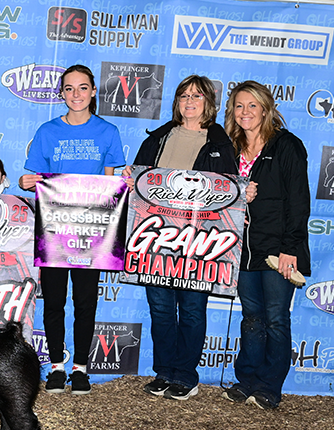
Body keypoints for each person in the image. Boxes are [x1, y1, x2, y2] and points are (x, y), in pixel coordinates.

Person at [124, 75, 238, 400]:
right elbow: (141, 183)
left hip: (199, 240)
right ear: (177, 102)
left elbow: (229, 194)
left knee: (191, 309)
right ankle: (164, 371)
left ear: (209, 104)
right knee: (160, 307)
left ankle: (186, 375)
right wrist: (132, 182)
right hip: (156, 237)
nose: (190, 101)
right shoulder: (157, 138)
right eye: (184, 95)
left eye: (197, 96)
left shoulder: (220, 144)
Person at [19, 64, 125, 395]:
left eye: (82, 88)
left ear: (93, 92)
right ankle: (55, 366)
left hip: (92, 231)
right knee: (53, 301)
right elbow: (33, 177)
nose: (76, 94)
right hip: (54, 230)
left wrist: (121, 185)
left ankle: (80, 367)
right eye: (69, 88)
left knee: (85, 302)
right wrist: (27, 181)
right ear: (61, 93)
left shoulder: (108, 132)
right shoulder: (47, 131)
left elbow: (109, 181)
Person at [221, 80, 310, 410]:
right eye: (239, 106)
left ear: (266, 109)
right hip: (242, 248)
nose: (245, 112)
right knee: (252, 317)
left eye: (252, 106)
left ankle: (270, 385)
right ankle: (246, 380)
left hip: (278, 249)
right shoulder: (230, 148)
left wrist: (292, 248)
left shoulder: (286, 145)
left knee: (275, 318)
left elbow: (299, 201)